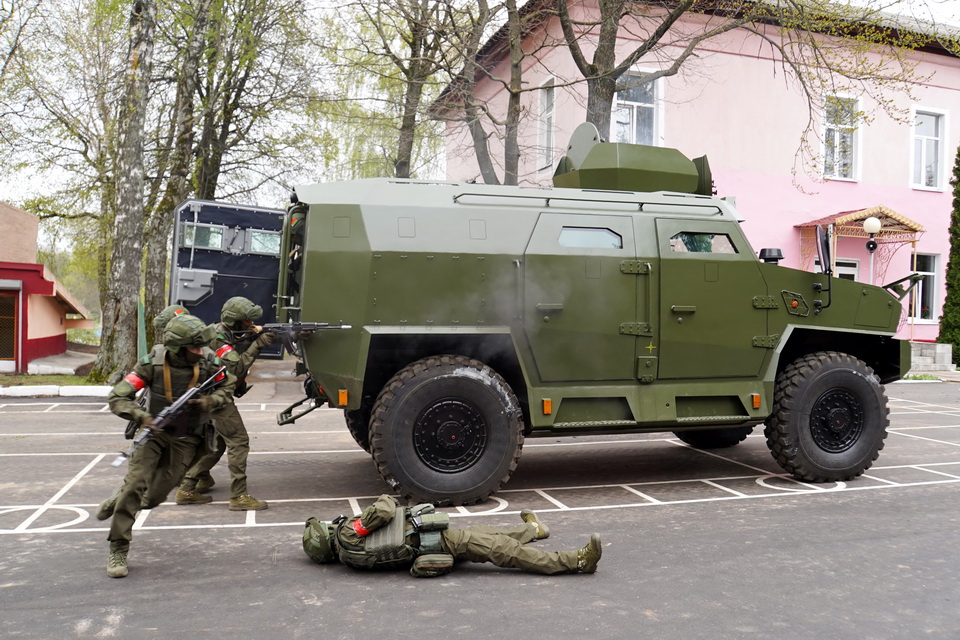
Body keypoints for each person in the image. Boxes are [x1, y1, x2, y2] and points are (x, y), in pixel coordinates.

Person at [99, 313, 236, 578]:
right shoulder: (152, 364)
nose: (201, 351)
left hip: (187, 438)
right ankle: (118, 546)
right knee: (135, 486)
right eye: (194, 348)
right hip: (153, 433)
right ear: (178, 348)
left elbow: (227, 386)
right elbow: (118, 397)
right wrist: (143, 417)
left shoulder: (209, 362)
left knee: (151, 498)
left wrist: (210, 402)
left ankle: (118, 496)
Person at [302, 494, 602, 576]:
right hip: (438, 541)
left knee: (485, 533)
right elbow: (384, 508)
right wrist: (381, 502)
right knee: (503, 550)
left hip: (429, 543)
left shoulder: (349, 558)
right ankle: (575, 561)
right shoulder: (348, 534)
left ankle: (533, 529)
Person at [175, 296, 274, 511]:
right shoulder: (218, 339)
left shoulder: (223, 332)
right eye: (246, 322)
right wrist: (258, 344)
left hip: (209, 395)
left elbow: (239, 344)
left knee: (218, 445)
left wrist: (256, 335)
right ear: (235, 321)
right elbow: (235, 369)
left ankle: (187, 488)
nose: (250, 325)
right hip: (215, 397)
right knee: (239, 441)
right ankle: (238, 496)